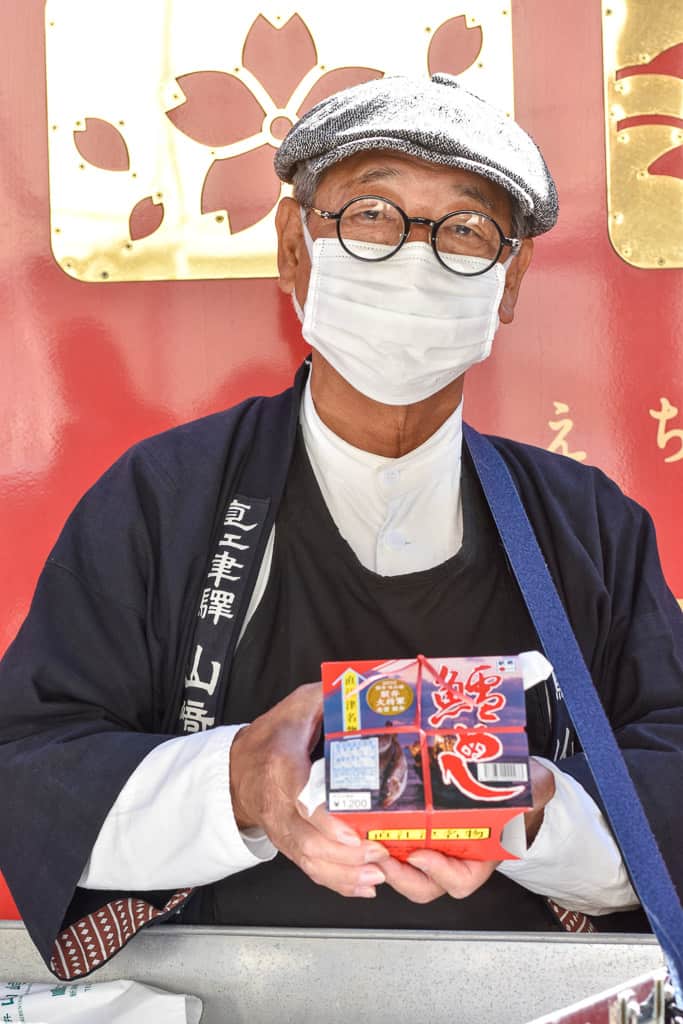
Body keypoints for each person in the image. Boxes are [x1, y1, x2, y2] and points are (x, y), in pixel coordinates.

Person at [1, 74, 681, 982]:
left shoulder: (589, 526)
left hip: (529, 997)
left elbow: (671, 771)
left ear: (509, 279)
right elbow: (31, 770)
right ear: (294, 247)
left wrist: (534, 809)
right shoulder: (163, 498)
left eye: (466, 230)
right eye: (370, 214)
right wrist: (239, 781)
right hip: (224, 996)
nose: (413, 258)